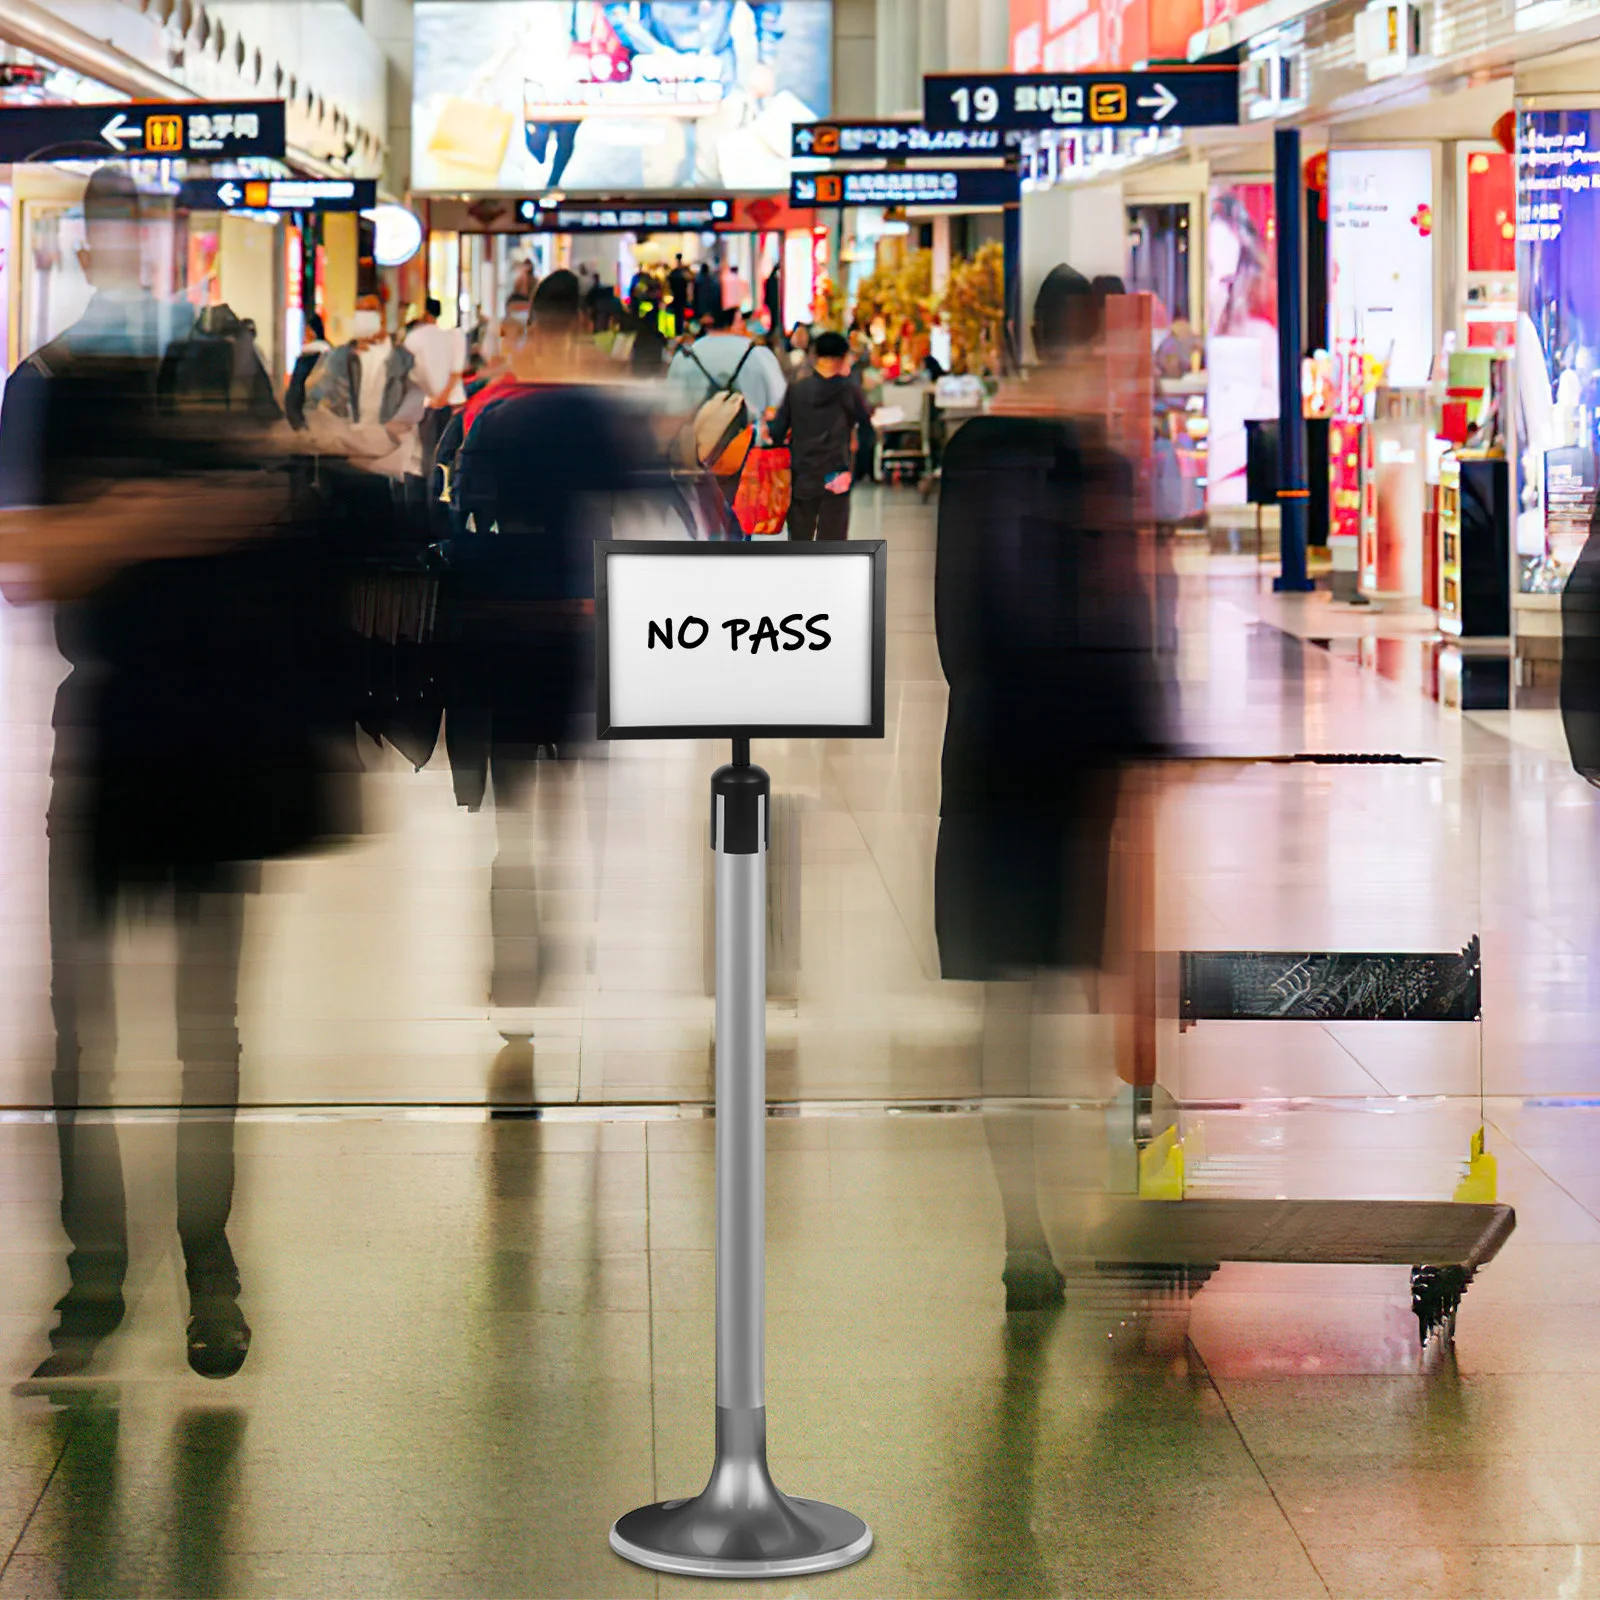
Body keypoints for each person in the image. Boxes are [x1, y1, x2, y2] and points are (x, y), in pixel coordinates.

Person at [0, 167, 360, 1385]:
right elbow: (33, 562)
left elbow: (270, 507)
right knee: (83, 1029)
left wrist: (144, 516)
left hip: (221, 727)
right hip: (109, 727)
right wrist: (167, 512)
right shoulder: (43, 385)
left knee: (209, 1027)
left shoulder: (222, 365)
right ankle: (93, 1276)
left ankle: (207, 1266)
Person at [933, 264, 1163, 1311]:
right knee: (1044, 1000)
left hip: (996, 757)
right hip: (1057, 770)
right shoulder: (1090, 459)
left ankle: (1026, 1226)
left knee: (1011, 1008)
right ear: (1086, 344)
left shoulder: (983, 451)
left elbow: (961, 630)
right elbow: (1116, 633)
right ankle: (1037, 1222)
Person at [444, 269, 646, 1027]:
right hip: (577, 620)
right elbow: (635, 503)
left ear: (532, 324)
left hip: (501, 620)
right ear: (585, 326)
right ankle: (555, 930)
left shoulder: (495, 411)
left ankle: (513, 964)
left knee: (514, 806)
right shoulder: (596, 412)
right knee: (564, 798)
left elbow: (464, 508)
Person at [768, 330, 875, 541]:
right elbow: (867, 430)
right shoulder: (849, 391)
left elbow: (777, 431)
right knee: (833, 540)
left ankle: (803, 574)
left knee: (800, 538)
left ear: (815, 356)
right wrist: (859, 469)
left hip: (802, 473)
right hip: (837, 474)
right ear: (844, 357)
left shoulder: (797, 390)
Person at [404, 296, 469, 476]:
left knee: (427, 460)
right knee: (449, 460)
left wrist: (434, 397)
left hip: (427, 405)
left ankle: (427, 499)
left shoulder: (413, 338)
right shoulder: (454, 336)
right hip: (454, 406)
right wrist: (444, 395)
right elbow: (457, 372)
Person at [285, 310, 329, 431]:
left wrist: (291, 408)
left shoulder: (308, 354)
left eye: (308, 329)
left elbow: (297, 385)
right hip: (322, 405)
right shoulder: (329, 352)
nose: (305, 333)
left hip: (306, 405)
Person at [667, 254, 693, 337]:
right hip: (682, 297)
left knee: (677, 314)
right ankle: (681, 330)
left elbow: (669, 284)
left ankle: (677, 330)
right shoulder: (684, 272)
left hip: (676, 297)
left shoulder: (674, 272)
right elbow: (689, 283)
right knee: (682, 315)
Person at [694, 260, 721, 324]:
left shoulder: (698, 279)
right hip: (709, 302)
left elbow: (695, 292)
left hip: (700, 303)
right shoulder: (711, 279)